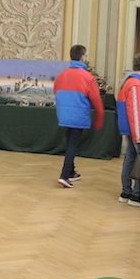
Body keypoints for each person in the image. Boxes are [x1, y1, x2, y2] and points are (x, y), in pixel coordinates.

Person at [53, 44, 105, 188]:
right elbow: (97, 101)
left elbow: (55, 92)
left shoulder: (61, 75)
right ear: (82, 57)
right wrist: (99, 119)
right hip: (78, 116)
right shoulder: (88, 77)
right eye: (86, 55)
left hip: (64, 115)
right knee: (72, 145)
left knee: (70, 142)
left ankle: (71, 172)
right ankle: (64, 175)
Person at [116, 52, 140, 207]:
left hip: (129, 128)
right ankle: (136, 194)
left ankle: (126, 192)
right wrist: (138, 135)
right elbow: (136, 112)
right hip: (135, 130)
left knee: (130, 159)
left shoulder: (128, 82)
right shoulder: (135, 85)